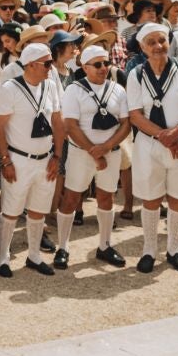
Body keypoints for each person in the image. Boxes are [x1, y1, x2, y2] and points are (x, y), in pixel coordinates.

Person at [126, 22, 178, 274]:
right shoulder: (136, 73)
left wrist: (177, 131)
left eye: (162, 40)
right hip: (151, 145)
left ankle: (175, 249)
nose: (158, 46)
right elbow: (135, 116)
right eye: (152, 42)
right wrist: (164, 136)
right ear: (142, 47)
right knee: (150, 199)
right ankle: (149, 249)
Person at [56, 45, 132, 268]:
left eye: (106, 63)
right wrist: (93, 150)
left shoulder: (118, 89)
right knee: (71, 198)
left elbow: (126, 124)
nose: (103, 68)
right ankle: (63, 247)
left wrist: (106, 147)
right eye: (97, 64)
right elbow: (70, 125)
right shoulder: (74, 89)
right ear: (85, 66)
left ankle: (105, 245)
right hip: (82, 153)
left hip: (110, 152)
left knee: (107, 197)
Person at [0, 43, 65, 277]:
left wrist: (57, 156)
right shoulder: (10, 88)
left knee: (38, 210)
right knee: (11, 210)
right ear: (31, 64)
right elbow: (0, 126)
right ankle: (3, 256)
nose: (51, 67)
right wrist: (5, 161)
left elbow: (57, 122)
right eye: (47, 63)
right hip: (19, 158)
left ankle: (34, 255)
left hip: (45, 159)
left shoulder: (51, 85)